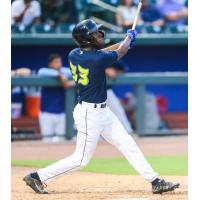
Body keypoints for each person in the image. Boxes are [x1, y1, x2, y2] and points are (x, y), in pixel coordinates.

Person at [23, 19, 179, 194]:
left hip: (103, 112)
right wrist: (127, 40)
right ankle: (38, 176)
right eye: (95, 33)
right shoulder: (97, 60)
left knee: (127, 143)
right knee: (81, 159)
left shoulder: (74, 54)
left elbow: (103, 52)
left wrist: (124, 42)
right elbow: (120, 52)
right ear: (88, 39)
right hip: (90, 114)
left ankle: (155, 181)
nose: (99, 34)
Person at [38, 54, 74, 143]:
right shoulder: (45, 73)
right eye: (56, 62)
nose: (59, 64)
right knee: (47, 140)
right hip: (46, 113)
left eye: (60, 62)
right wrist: (59, 75)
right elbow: (41, 72)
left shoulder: (65, 72)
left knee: (62, 141)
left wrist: (62, 75)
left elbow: (72, 72)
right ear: (50, 64)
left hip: (62, 113)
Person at [106, 61, 134, 134]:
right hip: (93, 91)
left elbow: (121, 71)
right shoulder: (94, 57)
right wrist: (104, 69)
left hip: (105, 90)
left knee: (118, 111)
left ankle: (128, 131)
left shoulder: (112, 58)